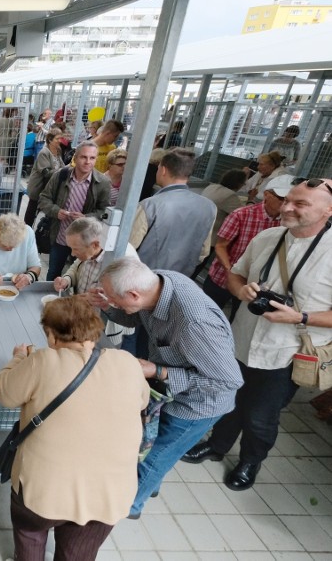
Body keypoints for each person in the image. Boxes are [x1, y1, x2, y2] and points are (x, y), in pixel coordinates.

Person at [182, 178, 332, 491]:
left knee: (261, 414)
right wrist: (243, 292)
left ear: (327, 210)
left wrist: (300, 316)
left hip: (288, 352)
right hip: (243, 338)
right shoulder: (267, 237)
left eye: (300, 204)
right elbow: (235, 276)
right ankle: (217, 445)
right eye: (288, 199)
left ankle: (251, 461)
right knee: (230, 397)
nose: (287, 208)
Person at [0, 296, 149, 561]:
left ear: (52, 337)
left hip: (42, 492)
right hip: (107, 495)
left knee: (30, 534)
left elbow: (4, 392)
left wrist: (17, 359)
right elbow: (142, 400)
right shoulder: (128, 363)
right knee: (77, 555)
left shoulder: (43, 360)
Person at [94, 258, 243, 518]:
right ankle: (148, 487)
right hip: (168, 387)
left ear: (133, 294)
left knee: (155, 455)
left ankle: (129, 506)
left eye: (115, 299)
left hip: (197, 403)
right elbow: (132, 315)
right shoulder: (156, 282)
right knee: (145, 445)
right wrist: (108, 306)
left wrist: (158, 371)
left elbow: (227, 382)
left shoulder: (194, 323)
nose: (114, 303)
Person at [202, 176, 287, 310]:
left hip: (254, 286)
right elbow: (220, 246)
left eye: (289, 200)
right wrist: (230, 271)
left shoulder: (286, 223)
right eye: (282, 199)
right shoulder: (241, 215)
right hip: (222, 278)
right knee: (205, 313)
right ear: (266, 195)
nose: (286, 204)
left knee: (238, 319)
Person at [129, 148, 216, 277]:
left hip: (144, 278)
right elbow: (203, 253)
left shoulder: (150, 205)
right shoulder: (209, 207)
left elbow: (129, 247)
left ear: (163, 170)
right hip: (180, 279)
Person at [53, 217, 138, 345]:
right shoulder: (90, 250)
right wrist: (66, 280)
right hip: (83, 320)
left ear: (95, 244)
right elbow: (76, 266)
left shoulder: (122, 259)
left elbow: (127, 304)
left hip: (105, 328)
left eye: (75, 249)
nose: (72, 254)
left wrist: (94, 299)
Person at [37, 141, 111, 281]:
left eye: (92, 158)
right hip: (60, 235)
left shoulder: (103, 182)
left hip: (85, 241)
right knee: (53, 274)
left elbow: (104, 212)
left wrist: (86, 218)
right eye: (83, 157)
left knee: (81, 275)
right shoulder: (60, 176)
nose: (87, 162)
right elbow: (43, 199)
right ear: (75, 158)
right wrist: (56, 211)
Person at [24, 131, 64, 227]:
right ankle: (27, 230)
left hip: (50, 186)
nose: (60, 141)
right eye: (57, 139)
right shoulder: (44, 152)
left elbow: (61, 165)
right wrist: (62, 172)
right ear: (50, 140)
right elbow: (46, 172)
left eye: (60, 138)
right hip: (39, 186)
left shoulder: (58, 151)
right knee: (32, 209)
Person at [201, 169, 246, 237]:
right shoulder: (230, 195)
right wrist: (250, 200)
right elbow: (243, 215)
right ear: (239, 184)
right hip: (212, 236)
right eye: (243, 183)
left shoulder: (211, 187)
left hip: (201, 227)